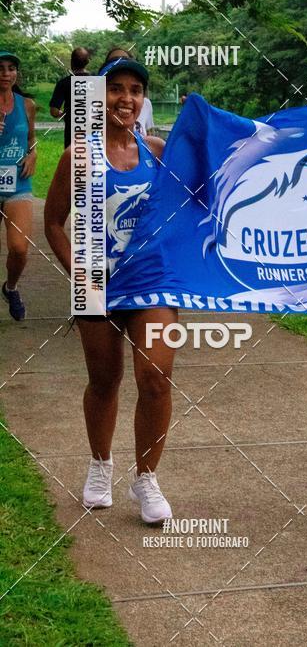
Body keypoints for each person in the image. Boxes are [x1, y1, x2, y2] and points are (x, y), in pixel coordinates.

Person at [44, 58, 176, 524]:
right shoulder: (77, 155)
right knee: (104, 381)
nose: (125, 97)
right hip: (96, 283)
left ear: (143, 99)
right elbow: (54, 225)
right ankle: (101, 466)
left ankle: (147, 479)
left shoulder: (159, 150)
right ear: (98, 98)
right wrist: (79, 277)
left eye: (135, 90)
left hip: (151, 283)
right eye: (115, 88)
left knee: (156, 379)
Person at [0, 51, 36, 321]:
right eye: (0, 68)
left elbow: (32, 139)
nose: (6, 73)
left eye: (11, 68)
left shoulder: (26, 105)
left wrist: (33, 154)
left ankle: (10, 288)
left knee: (20, 248)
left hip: (18, 183)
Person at [100, 47, 154, 136]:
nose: (127, 99)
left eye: (135, 91)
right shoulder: (84, 148)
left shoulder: (155, 148)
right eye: (115, 90)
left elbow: (150, 132)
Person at [50, 47, 90, 147]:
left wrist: (65, 113)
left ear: (71, 62)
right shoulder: (99, 81)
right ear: (87, 62)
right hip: (95, 135)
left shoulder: (63, 83)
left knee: (72, 160)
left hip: (72, 135)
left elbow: (54, 111)